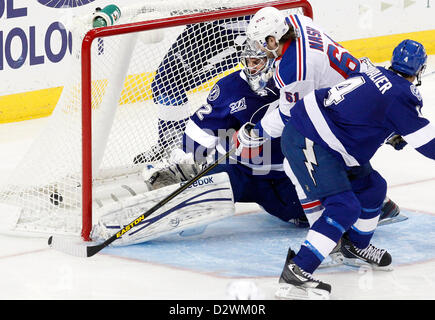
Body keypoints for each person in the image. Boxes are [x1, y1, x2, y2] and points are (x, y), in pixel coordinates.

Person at [275, 39, 434, 299]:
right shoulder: (402, 95)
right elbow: (429, 145)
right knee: (344, 207)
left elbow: (363, 106)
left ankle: (355, 246)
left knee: (373, 188)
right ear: (421, 68)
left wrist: (392, 130)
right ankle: (297, 271)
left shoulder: (371, 68)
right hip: (311, 139)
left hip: (324, 134)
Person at [235, 6, 400, 227]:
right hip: (360, 84)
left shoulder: (295, 68)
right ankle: (376, 202)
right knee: (334, 152)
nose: (258, 48)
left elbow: (289, 116)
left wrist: (257, 133)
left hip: (356, 105)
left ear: (274, 40)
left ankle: (329, 225)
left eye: (261, 43)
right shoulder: (296, 21)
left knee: (298, 161)